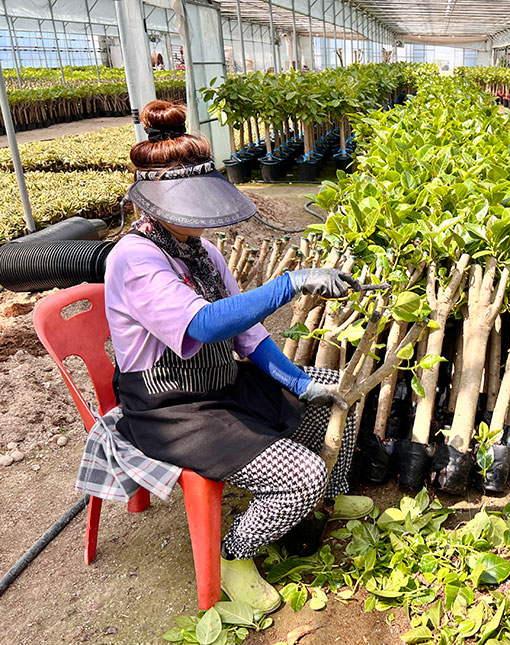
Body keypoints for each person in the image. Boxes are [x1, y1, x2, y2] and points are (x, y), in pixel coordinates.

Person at [105, 100, 366, 613]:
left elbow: (245, 333)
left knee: (334, 392)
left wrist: (297, 381)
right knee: (299, 476)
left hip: (221, 385)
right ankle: (233, 557)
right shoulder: (133, 258)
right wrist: (288, 284)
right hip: (170, 410)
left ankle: (326, 500)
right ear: (153, 202)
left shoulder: (203, 251)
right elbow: (202, 323)